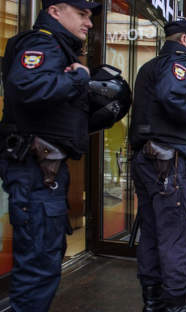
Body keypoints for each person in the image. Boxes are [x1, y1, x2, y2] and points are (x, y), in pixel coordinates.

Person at [0, 0, 105, 310]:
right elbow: (26, 86)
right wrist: (78, 78)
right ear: (55, 11)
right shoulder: (42, 42)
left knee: (44, 262)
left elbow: (58, 115)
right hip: (35, 172)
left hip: (44, 172)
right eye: (82, 14)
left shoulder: (58, 49)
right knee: (37, 268)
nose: (89, 23)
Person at [129, 19, 186, 312]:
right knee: (177, 235)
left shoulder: (149, 67)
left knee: (152, 234)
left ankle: (153, 302)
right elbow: (172, 98)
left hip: (149, 161)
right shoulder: (179, 62)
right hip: (169, 165)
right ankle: (175, 306)